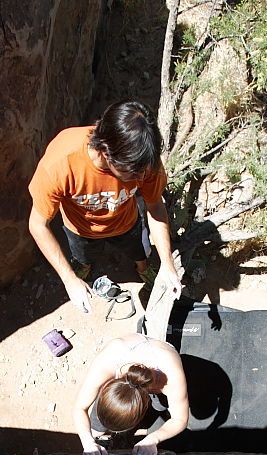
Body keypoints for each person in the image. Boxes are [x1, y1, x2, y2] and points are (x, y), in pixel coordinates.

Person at [28, 100, 182, 314]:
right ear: (106, 152)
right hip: (81, 230)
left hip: (127, 223)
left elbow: (155, 206)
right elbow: (38, 225)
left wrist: (167, 263)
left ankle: (144, 268)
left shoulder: (143, 162)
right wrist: (68, 279)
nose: (141, 177)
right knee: (83, 256)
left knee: (139, 251)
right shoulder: (61, 162)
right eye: (132, 173)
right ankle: (83, 268)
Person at [73, 333, 189, 455]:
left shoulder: (170, 376)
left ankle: (147, 415)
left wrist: (153, 439)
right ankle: (103, 435)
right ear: (106, 386)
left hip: (161, 365)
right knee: (94, 430)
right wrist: (88, 443)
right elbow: (80, 408)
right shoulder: (107, 362)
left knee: (160, 406)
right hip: (129, 360)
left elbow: (180, 419)